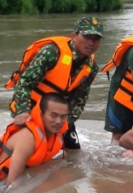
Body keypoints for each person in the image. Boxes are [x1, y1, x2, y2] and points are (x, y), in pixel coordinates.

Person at [6, 16, 103, 149]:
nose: (91, 43)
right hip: (32, 109)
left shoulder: (92, 67)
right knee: (28, 149)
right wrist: (23, 111)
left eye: (96, 39)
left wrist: (68, 122)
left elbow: (80, 99)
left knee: (73, 151)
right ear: (74, 35)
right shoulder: (51, 53)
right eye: (87, 37)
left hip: (59, 115)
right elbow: (24, 83)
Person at [0, 93, 69, 187]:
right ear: (41, 114)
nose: (58, 121)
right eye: (53, 115)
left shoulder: (56, 136)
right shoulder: (28, 139)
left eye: (63, 117)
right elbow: (12, 186)